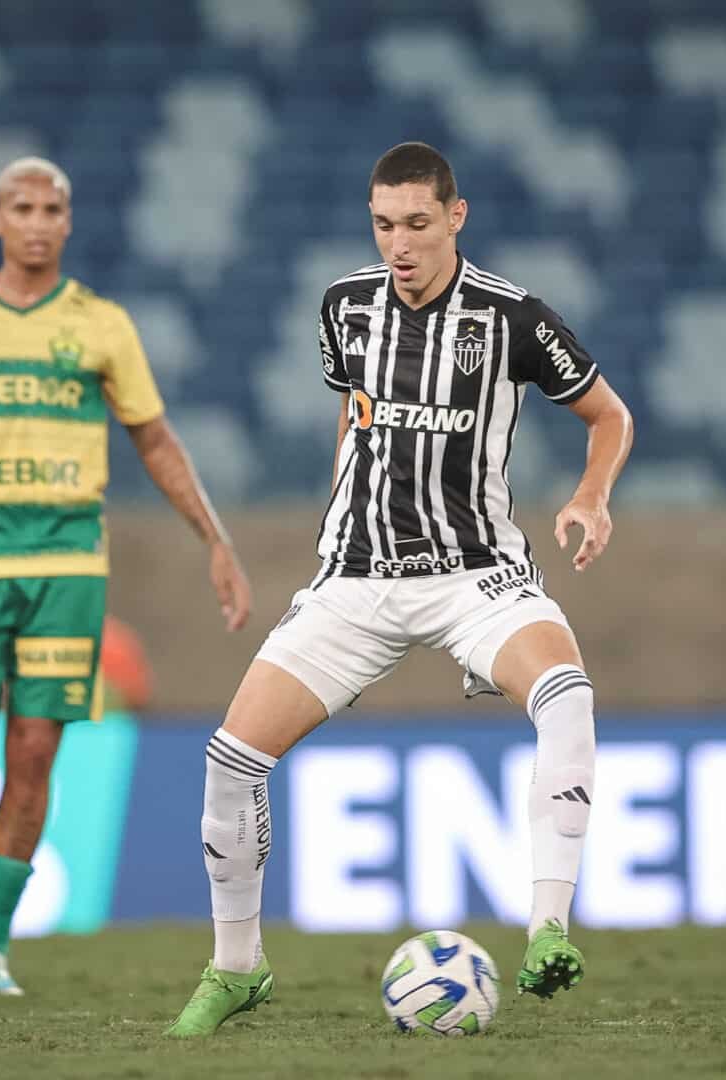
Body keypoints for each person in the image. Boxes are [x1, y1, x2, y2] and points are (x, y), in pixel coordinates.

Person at [166, 142, 634, 1036]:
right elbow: (356, 409)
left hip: (478, 577)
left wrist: (588, 496)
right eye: (384, 225)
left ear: (455, 217)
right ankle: (237, 969)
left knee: (567, 695)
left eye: (417, 224)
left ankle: (547, 933)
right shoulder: (344, 308)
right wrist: (346, 508)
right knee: (230, 762)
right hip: (358, 580)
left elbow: (610, 414)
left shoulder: (513, 319)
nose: (399, 244)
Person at [0, 156, 251, 996]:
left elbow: (155, 440)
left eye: (52, 208)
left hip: (68, 564)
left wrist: (214, 540)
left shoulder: (104, 325)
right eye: (21, 207)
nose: (37, 221)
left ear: (67, 224)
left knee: (35, 752)